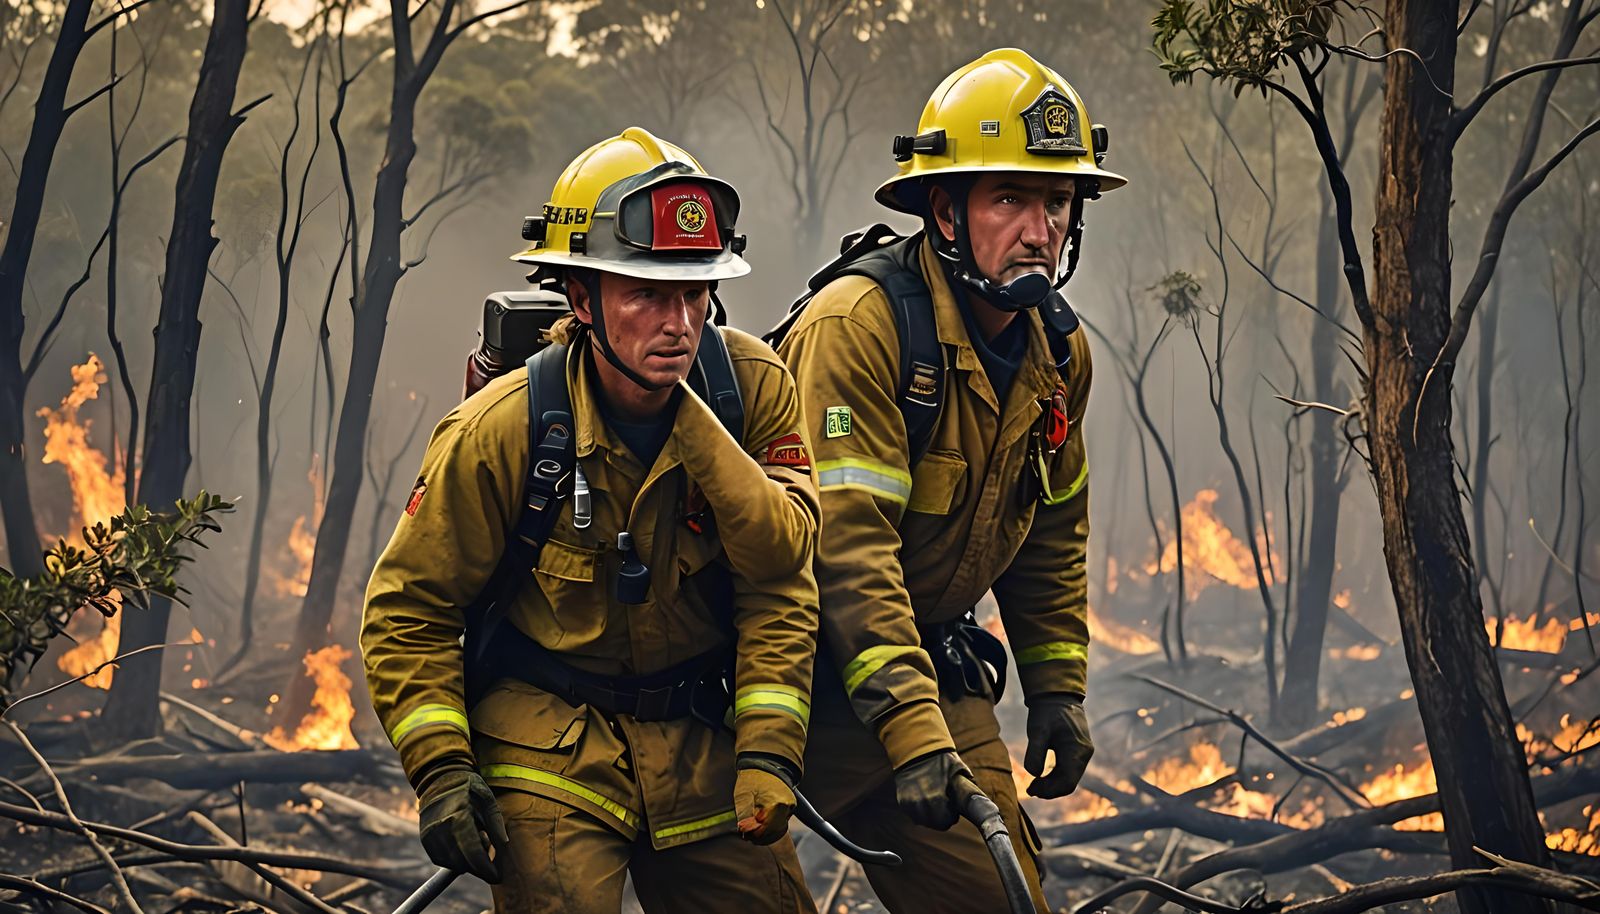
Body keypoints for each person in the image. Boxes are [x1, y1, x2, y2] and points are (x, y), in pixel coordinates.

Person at [362, 127, 822, 913]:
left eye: (695, 292)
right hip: (547, 740)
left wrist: (771, 752)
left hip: (702, 740)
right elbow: (410, 609)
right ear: (581, 299)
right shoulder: (503, 429)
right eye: (647, 293)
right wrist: (441, 769)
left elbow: (780, 575)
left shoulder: (752, 390)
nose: (679, 323)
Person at [775, 48, 1126, 911]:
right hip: (771, 689)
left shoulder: (1058, 354)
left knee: (1004, 902)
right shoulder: (858, 328)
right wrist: (907, 725)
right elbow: (845, 551)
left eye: (1056, 201)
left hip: (924, 670)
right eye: (1009, 198)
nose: (1038, 229)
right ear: (944, 209)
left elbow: (1050, 531)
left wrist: (1057, 690)